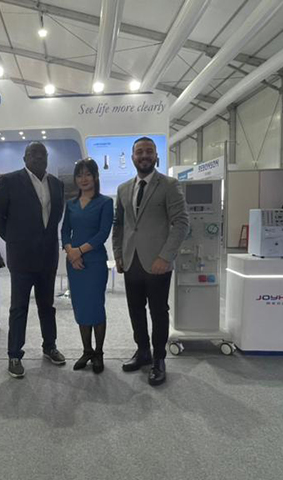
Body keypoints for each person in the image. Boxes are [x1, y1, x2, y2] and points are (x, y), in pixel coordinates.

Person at [113, 137, 189, 386]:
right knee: (135, 310)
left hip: (158, 263)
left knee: (158, 312)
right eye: (139, 152)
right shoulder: (123, 188)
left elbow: (181, 223)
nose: (144, 155)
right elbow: (119, 225)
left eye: (149, 151)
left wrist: (165, 256)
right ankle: (143, 351)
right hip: (130, 261)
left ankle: (158, 359)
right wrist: (118, 254)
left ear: (156, 156)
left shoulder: (169, 185)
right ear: (132, 157)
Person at [0, 142, 66, 379]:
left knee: (47, 306)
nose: (38, 157)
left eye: (42, 154)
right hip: (21, 257)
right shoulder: (10, 181)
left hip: (48, 257)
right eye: (33, 154)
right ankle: (14, 354)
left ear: (47, 157)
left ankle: (50, 346)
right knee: (19, 307)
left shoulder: (57, 184)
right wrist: (13, 239)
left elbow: (56, 216)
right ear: (24, 158)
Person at [61, 158, 113, 374]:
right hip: (75, 263)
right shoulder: (71, 204)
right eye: (79, 175)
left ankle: (98, 353)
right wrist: (70, 252)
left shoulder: (105, 203)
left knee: (96, 307)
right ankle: (87, 350)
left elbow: (103, 233)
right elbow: (65, 231)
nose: (83, 179)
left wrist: (78, 251)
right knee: (81, 306)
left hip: (94, 262)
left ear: (95, 177)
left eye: (88, 174)